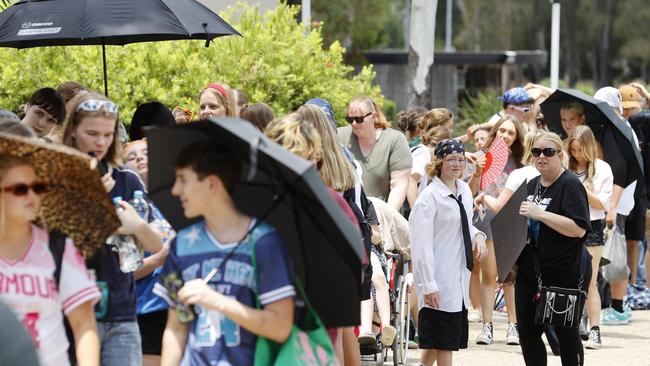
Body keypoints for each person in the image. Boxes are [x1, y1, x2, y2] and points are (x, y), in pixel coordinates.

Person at [154, 141, 295, 366]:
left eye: (183, 180)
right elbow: (176, 327)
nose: (175, 190)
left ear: (211, 183)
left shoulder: (263, 242)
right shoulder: (181, 245)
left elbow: (280, 327)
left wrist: (216, 301)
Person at [61, 92, 163, 366]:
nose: (100, 142)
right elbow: (53, 244)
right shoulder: (56, 177)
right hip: (71, 311)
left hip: (121, 311)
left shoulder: (126, 178)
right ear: (72, 131)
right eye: (92, 133)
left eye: (108, 134)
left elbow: (156, 244)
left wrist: (137, 225)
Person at [0, 153, 101, 366]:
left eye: (37, 187)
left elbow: (84, 326)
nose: (32, 196)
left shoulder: (57, 247)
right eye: (20, 189)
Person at [516, 131, 592, 365]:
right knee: (528, 334)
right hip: (532, 271)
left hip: (564, 270)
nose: (541, 157)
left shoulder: (570, 185)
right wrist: (512, 264)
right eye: (536, 152)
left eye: (548, 152)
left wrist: (541, 214)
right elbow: (521, 229)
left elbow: (579, 229)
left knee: (565, 335)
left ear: (560, 155)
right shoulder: (532, 185)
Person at [409, 139, 488, 366]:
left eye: (461, 160)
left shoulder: (463, 189)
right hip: (438, 280)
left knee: (439, 341)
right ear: (439, 162)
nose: (456, 164)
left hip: (457, 279)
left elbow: (464, 225)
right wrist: (428, 285)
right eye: (450, 159)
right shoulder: (428, 199)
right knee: (444, 344)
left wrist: (478, 236)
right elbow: (420, 247)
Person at [469, 115, 525, 346]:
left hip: (512, 221)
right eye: (502, 131)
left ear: (517, 138)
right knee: (489, 275)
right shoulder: (481, 157)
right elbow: (470, 192)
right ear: (495, 132)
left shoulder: (521, 163)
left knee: (510, 276)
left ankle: (513, 326)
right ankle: (487, 326)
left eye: (511, 133)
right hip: (485, 219)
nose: (505, 136)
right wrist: (477, 172)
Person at [594, 86, 646, 325]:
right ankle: (616, 305)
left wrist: (612, 205)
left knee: (613, 255)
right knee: (613, 253)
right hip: (621, 202)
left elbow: (620, 169)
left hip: (616, 203)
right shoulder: (623, 127)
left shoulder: (615, 129)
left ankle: (617, 307)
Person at [123, 139, 173, 366]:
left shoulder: (181, 202)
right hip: (146, 309)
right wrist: (161, 257)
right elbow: (125, 272)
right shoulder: (125, 211)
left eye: (146, 153)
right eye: (132, 157)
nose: (140, 158)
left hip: (180, 306)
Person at [567, 126, 613, 349]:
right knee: (570, 280)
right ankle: (573, 325)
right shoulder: (567, 166)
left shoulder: (602, 169)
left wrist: (583, 190)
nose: (577, 155)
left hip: (592, 226)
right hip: (567, 225)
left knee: (590, 281)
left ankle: (595, 329)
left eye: (580, 150)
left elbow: (603, 204)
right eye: (573, 150)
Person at [337, 96, 412, 211]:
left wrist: (386, 217)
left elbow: (399, 185)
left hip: (383, 214)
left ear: (373, 116)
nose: (354, 124)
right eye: (350, 119)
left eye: (359, 119)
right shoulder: (339, 136)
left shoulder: (394, 140)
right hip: (349, 217)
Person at [468, 87, 534, 134]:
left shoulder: (519, 122)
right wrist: (480, 127)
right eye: (525, 109)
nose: (527, 113)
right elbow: (491, 124)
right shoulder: (498, 122)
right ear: (512, 108)